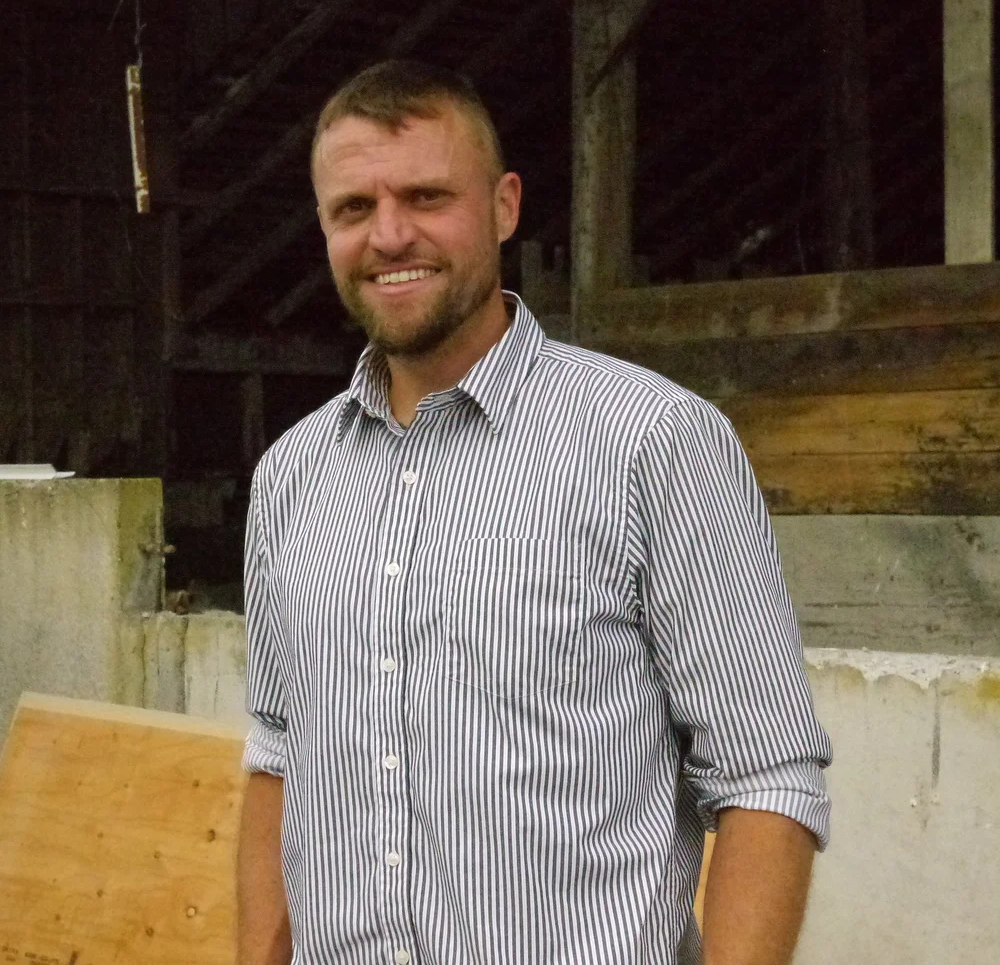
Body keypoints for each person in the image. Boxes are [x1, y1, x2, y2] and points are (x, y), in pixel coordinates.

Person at [238, 59, 832, 965]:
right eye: (354, 208)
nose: (389, 235)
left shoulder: (652, 442)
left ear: (505, 206)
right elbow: (280, 755)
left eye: (427, 196)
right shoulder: (292, 476)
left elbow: (767, 777)